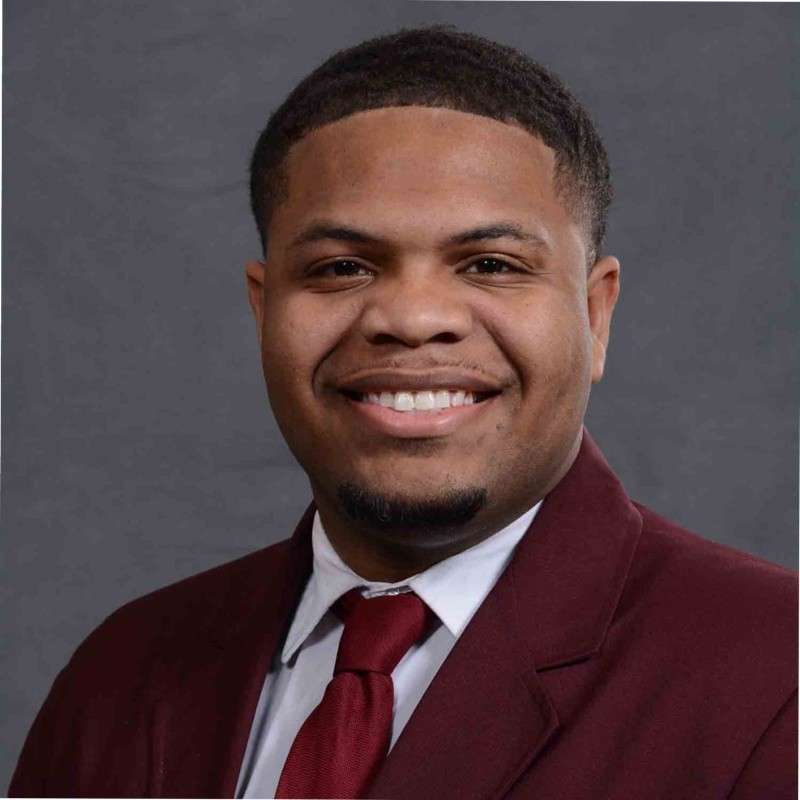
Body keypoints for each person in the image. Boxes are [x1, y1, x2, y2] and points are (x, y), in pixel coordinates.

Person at [9, 25, 797, 799]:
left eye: (491, 264)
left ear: (595, 316)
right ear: (263, 309)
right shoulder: (120, 675)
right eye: (341, 267)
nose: (413, 318)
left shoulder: (777, 676)